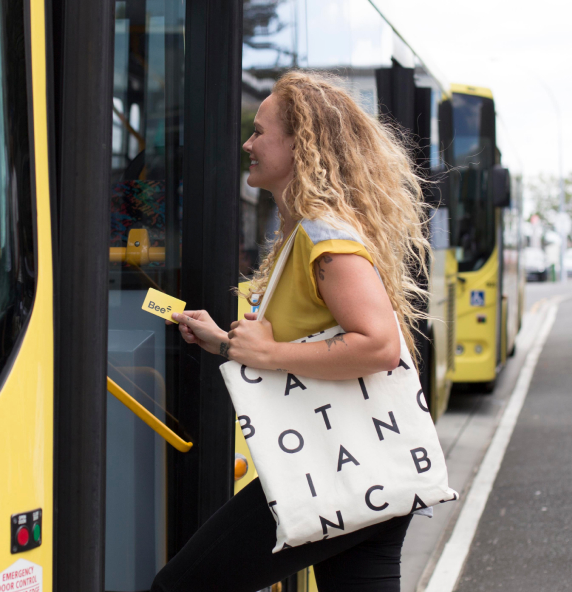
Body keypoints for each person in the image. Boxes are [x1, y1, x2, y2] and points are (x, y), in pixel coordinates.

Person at [155, 70, 432, 592]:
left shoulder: (323, 235)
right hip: (364, 474)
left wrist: (272, 354)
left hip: (329, 469)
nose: (247, 143)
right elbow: (311, 339)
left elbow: (377, 344)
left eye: (260, 131)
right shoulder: (307, 234)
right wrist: (223, 341)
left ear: (301, 143)